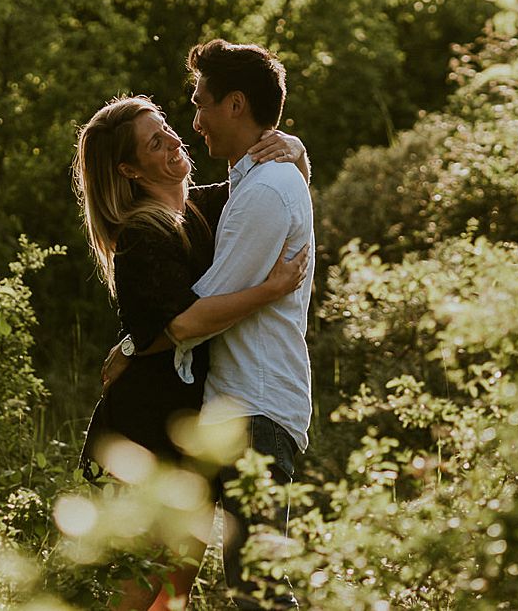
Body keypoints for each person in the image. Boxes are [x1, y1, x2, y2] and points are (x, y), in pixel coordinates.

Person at [73, 94, 310, 611]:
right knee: (144, 581)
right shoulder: (142, 233)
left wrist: (294, 148)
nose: (176, 141)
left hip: (191, 420)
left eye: (168, 129)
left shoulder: (200, 208)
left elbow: (273, 195)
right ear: (130, 170)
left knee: (174, 584)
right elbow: (178, 323)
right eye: (156, 143)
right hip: (150, 426)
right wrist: (270, 291)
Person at [179, 39, 315, 611]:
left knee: (256, 587)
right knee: (212, 575)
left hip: (254, 410)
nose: (196, 119)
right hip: (239, 407)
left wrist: (135, 341)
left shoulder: (265, 192)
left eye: (202, 101)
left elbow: (203, 310)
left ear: (235, 104)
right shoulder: (258, 182)